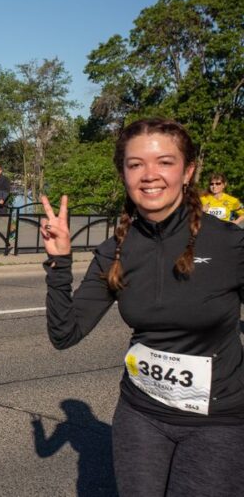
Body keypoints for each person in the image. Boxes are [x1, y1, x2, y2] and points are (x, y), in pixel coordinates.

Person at [40, 118, 244, 496]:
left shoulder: (231, 245)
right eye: (136, 164)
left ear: (188, 171)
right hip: (141, 416)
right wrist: (59, 264)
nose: (150, 175)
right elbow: (64, 334)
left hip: (217, 424)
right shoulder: (114, 250)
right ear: (124, 174)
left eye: (165, 162)